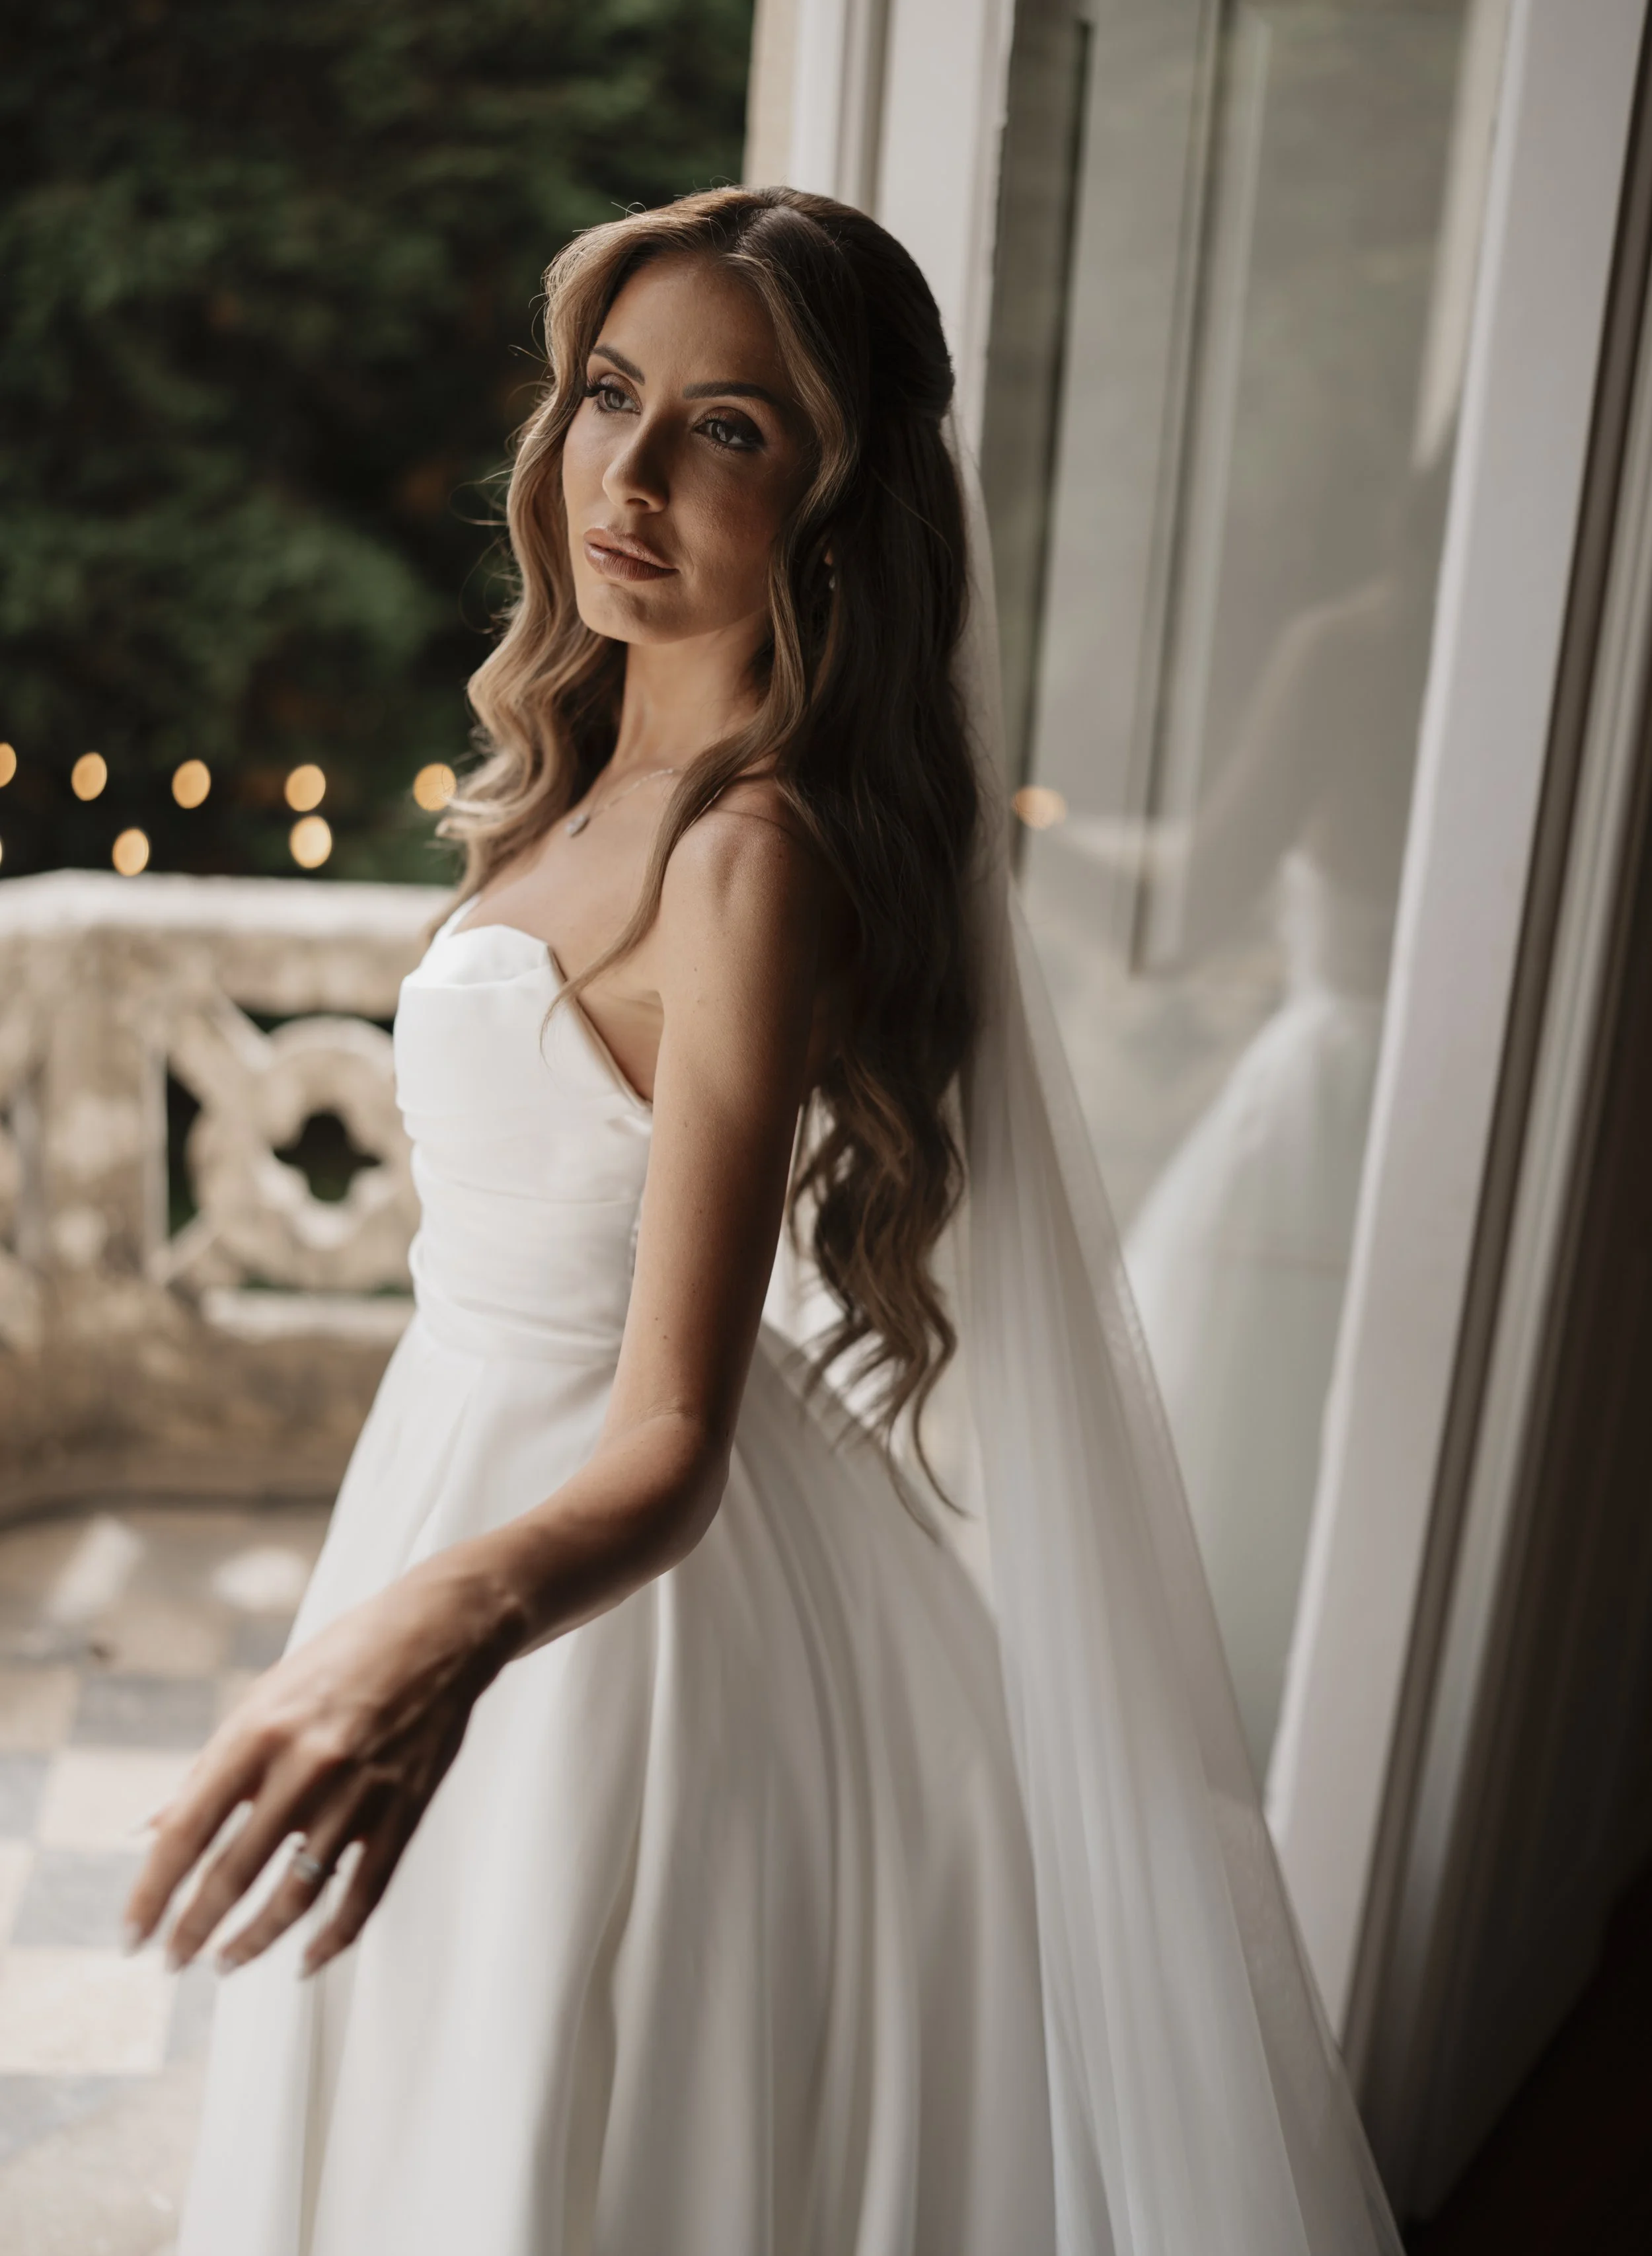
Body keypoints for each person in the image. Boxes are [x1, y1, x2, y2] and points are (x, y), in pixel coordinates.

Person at [128, 188, 1403, 2256]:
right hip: (446, 1452)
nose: (622, 474)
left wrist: (432, 1630)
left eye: (725, 428)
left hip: (597, 1572)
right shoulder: (567, 771)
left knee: (555, 2099)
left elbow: (672, 1433)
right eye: (608, 394)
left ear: (829, 499)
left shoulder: (752, 854)